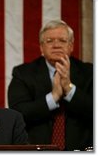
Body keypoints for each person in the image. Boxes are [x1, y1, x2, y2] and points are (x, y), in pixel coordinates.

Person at [7, 20, 93, 151]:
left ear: (71, 46)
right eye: (49, 41)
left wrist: (69, 90)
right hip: (37, 150)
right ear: (41, 48)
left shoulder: (90, 72)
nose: (56, 45)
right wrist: (53, 97)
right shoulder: (23, 73)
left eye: (62, 40)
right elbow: (18, 113)